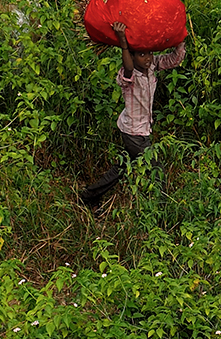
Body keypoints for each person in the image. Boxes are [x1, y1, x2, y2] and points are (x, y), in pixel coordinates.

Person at [80, 20, 186, 207]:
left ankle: (89, 196)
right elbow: (128, 66)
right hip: (133, 133)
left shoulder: (151, 67)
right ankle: (162, 208)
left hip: (143, 130)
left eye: (149, 54)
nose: (146, 58)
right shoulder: (128, 76)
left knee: (122, 167)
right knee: (156, 169)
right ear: (132, 56)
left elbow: (173, 60)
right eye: (141, 54)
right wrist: (123, 41)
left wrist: (178, 36)